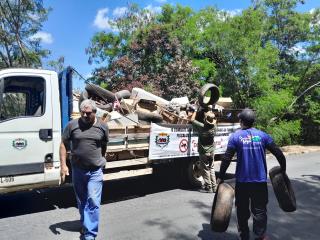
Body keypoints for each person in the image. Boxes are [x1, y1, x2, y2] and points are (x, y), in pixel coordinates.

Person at [217, 108, 286, 240]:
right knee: (259, 211)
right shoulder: (263, 135)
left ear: (241, 121)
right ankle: (260, 237)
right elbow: (278, 153)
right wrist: (283, 169)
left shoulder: (235, 136)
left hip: (242, 182)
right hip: (259, 182)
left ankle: (244, 236)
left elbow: (226, 158)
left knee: (242, 212)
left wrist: (221, 176)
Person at [60, 99, 109, 240]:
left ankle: (90, 235)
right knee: (82, 201)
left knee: (93, 201)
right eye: (83, 113)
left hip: (95, 170)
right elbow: (63, 144)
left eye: (88, 113)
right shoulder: (72, 125)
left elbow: (103, 145)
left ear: (95, 112)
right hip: (78, 170)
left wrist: (101, 160)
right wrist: (64, 165)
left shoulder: (102, 126)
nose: (85, 116)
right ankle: (85, 222)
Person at [191, 105, 217, 193]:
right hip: (212, 151)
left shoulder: (202, 127)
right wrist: (209, 110)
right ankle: (214, 187)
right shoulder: (214, 127)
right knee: (212, 168)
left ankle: (209, 187)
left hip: (204, 152)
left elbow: (192, 120)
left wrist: (195, 110)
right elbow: (212, 119)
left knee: (205, 169)